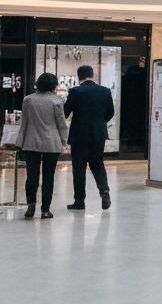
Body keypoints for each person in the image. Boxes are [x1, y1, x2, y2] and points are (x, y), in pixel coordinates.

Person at [16, 72, 69, 219]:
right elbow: (61, 124)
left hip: (31, 142)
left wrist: (20, 142)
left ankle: (31, 206)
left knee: (31, 176)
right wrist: (64, 142)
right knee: (48, 177)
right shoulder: (56, 101)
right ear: (53, 85)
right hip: (51, 143)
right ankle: (45, 210)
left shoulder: (28, 100)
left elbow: (24, 123)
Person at [64, 64, 115, 211]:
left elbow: (65, 112)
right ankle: (104, 191)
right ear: (92, 75)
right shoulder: (105, 91)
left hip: (79, 135)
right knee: (98, 164)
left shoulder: (75, 91)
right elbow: (110, 112)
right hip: (98, 134)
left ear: (78, 76)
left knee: (79, 168)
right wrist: (99, 122)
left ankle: (79, 201)